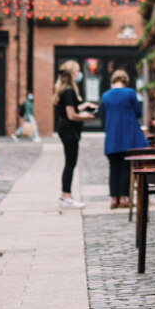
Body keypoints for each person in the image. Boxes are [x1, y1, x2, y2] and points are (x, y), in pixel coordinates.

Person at [98, 69, 147, 210]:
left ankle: (114, 199)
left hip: (112, 136)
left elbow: (103, 114)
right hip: (128, 136)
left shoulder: (105, 95)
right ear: (126, 80)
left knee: (114, 168)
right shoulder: (130, 93)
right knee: (126, 168)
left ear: (113, 80)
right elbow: (138, 112)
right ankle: (124, 198)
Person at [53, 61, 98, 209]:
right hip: (69, 130)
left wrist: (83, 106)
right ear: (72, 74)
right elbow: (71, 115)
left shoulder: (64, 90)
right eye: (77, 71)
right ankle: (66, 195)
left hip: (65, 129)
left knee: (70, 162)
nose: (79, 74)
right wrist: (85, 116)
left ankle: (66, 195)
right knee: (70, 163)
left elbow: (71, 108)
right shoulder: (70, 91)